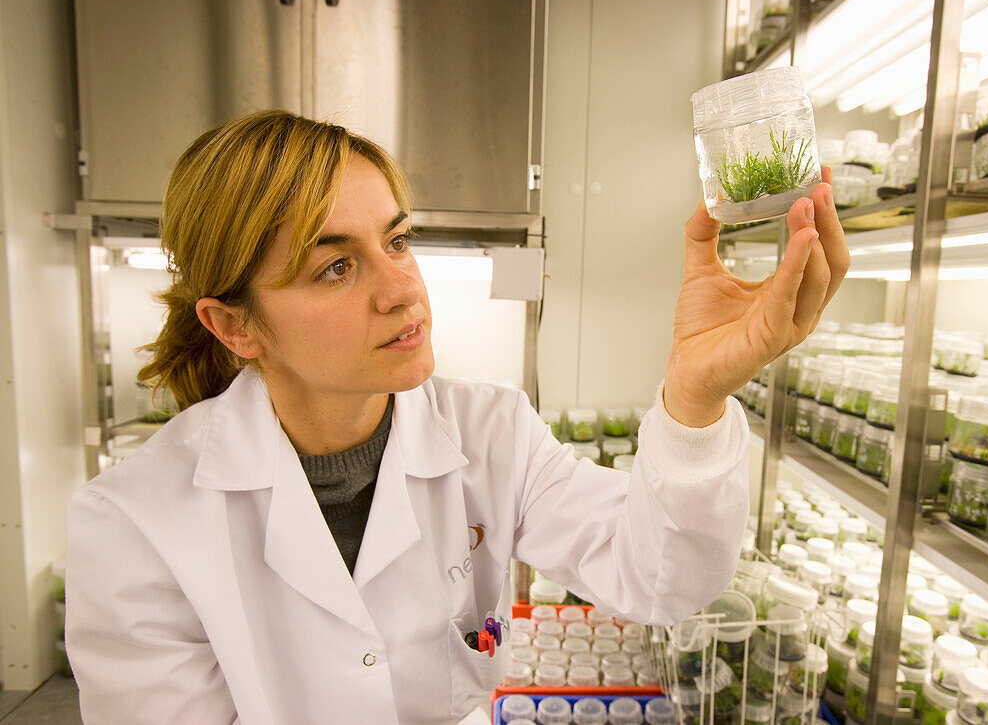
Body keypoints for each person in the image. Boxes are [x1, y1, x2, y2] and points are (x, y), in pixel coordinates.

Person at [65, 110, 848, 724]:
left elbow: (661, 577)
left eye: (397, 239)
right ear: (237, 326)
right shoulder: (134, 521)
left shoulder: (489, 432)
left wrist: (696, 397)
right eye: (335, 265)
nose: (402, 287)